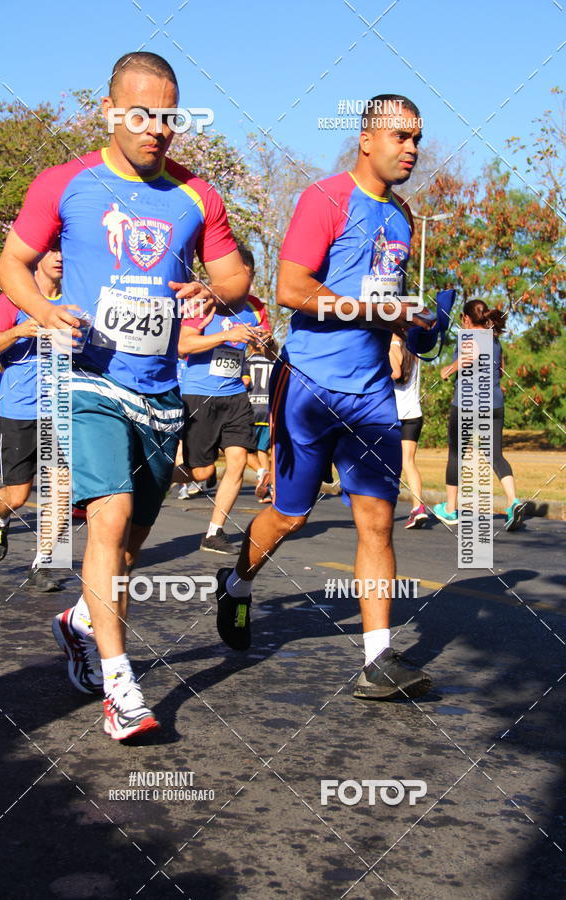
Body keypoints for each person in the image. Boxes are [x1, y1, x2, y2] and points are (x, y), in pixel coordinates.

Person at [0, 51, 250, 740]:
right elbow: (12, 264)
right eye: (141, 114)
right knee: (106, 518)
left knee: (130, 549)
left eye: (169, 116)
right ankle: (121, 688)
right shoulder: (65, 183)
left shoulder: (198, 195)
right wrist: (42, 313)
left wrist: (213, 289)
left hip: (161, 395)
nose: (156, 128)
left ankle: (80, 622)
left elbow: (235, 275)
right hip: (87, 379)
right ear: (110, 112)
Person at [214, 94, 435, 700]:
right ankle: (235, 583)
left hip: (371, 396)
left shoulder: (402, 218)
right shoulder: (325, 199)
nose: (412, 149)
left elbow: (384, 305)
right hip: (309, 387)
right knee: (291, 514)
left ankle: (377, 659)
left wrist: (410, 327)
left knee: (377, 523)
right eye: (400, 137)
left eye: (417, 139)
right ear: (367, 139)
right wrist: (375, 309)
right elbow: (290, 288)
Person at [178, 244, 273, 553]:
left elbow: (268, 353)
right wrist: (225, 336)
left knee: (236, 464)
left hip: (235, 395)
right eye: (240, 277)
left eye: (250, 277)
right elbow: (183, 346)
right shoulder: (202, 303)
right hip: (199, 393)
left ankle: (214, 532)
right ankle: (146, 482)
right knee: (202, 473)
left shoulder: (256, 307)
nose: (244, 285)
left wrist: (266, 342)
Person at [0, 246, 64, 590]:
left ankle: (42, 564)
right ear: (39, 257)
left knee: (60, 487)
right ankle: (0, 517)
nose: (60, 257)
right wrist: (19, 332)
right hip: (20, 408)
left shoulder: (77, 298)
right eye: (54, 250)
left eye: (65, 251)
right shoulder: (15, 297)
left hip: (61, 409)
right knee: (17, 493)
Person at [433, 299, 526, 531]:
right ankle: (513, 502)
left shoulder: (469, 337)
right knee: (495, 455)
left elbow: (468, 356)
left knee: (456, 454)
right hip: (493, 405)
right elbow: (500, 370)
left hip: (466, 405)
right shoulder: (495, 340)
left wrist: (448, 370)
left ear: (466, 318)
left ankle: (451, 508)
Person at [389, 338, 428, 528]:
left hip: (394, 414)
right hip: (414, 414)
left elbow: (395, 373)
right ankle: (418, 508)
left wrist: (392, 346)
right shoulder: (415, 349)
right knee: (409, 462)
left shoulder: (392, 347)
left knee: (387, 463)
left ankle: (384, 506)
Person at [242, 341, 278, 502]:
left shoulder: (247, 362)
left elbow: (246, 383)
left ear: (250, 347)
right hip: (269, 410)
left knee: (244, 450)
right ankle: (269, 490)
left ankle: (262, 473)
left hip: (251, 410)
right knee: (263, 450)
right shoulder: (274, 363)